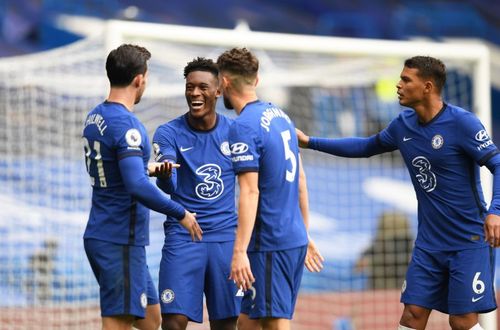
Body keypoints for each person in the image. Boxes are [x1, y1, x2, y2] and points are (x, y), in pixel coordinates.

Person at [296, 56, 500, 330]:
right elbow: (365, 146)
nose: (398, 85)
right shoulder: (403, 125)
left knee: (462, 322)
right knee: (412, 315)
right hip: (429, 243)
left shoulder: (462, 123)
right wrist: (310, 142)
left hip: (468, 240)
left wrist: (495, 211)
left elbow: (497, 163)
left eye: (406, 79)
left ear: (427, 87)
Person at [82, 44, 202, 330]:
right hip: (118, 238)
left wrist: (145, 168)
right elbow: (136, 186)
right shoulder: (127, 125)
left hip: (109, 234)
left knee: (151, 320)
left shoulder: (96, 116)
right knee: (118, 322)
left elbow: (116, 168)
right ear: (139, 79)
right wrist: (181, 213)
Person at [216, 47, 324, 330]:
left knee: (275, 322)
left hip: (270, 243)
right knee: (248, 321)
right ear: (257, 80)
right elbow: (301, 180)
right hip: (292, 236)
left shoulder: (243, 127)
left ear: (224, 83)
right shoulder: (281, 116)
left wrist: (239, 252)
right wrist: (304, 231)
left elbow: (250, 192)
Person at [151, 57, 241, 330]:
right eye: (190, 87)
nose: (194, 93)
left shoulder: (236, 132)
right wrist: (165, 174)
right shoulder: (168, 133)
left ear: (218, 90)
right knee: (173, 323)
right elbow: (169, 186)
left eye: (202, 87)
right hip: (183, 236)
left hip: (225, 239)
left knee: (226, 323)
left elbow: (252, 186)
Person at [354, 211, 413, 290]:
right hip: (379, 292)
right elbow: (357, 268)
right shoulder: (376, 247)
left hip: (402, 291)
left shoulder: (408, 246)